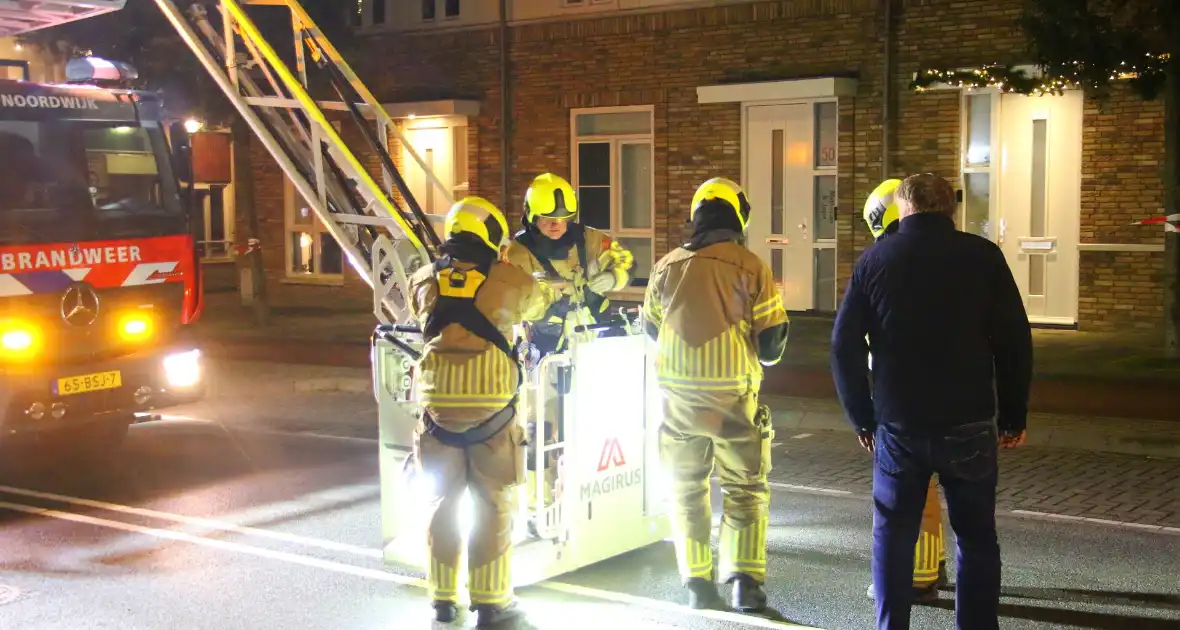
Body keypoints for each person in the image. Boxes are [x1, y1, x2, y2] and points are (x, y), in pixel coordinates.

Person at [830, 173, 1032, 630]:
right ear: (951, 209)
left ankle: (891, 625)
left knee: (893, 535)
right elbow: (1014, 340)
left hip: (899, 423)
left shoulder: (875, 260)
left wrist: (862, 418)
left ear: (903, 209)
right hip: (969, 420)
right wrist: (1013, 415)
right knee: (977, 538)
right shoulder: (984, 257)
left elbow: (842, 345)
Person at [643, 177, 789, 612]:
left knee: (686, 488)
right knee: (745, 487)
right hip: (732, 402)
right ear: (738, 216)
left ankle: (696, 584)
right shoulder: (751, 266)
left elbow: (651, 329)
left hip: (678, 400)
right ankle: (744, 582)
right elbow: (771, 345)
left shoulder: (665, 266)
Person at [407, 196, 554, 626]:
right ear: (491, 235)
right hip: (492, 412)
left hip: (436, 413)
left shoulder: (421, 279)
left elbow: (423, 317)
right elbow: (540, 303)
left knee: (441, 504)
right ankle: (492, 602)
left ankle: (442, 598)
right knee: (493, 504)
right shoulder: (509, 279)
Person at [504, 172, 634, 517]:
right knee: (539, 429)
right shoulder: (517, 253)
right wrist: (546, 300)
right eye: (548, 219)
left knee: (596, 426)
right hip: (544, 354)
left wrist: (610, 277)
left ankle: (591, 499)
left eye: (562, 219)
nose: (555, 225)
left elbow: (624, 261)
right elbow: (512, 295)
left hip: (593, 350)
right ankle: (539, 505)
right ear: (532, 216)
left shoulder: (589, 240)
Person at [860, 179, 948, 603]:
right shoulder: (950, 255)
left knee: (912, 493)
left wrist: (862, 410)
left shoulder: (884, 264)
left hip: (905, 400)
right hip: (957, 396)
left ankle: (920, 576)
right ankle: (939, 564)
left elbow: (852, 342)